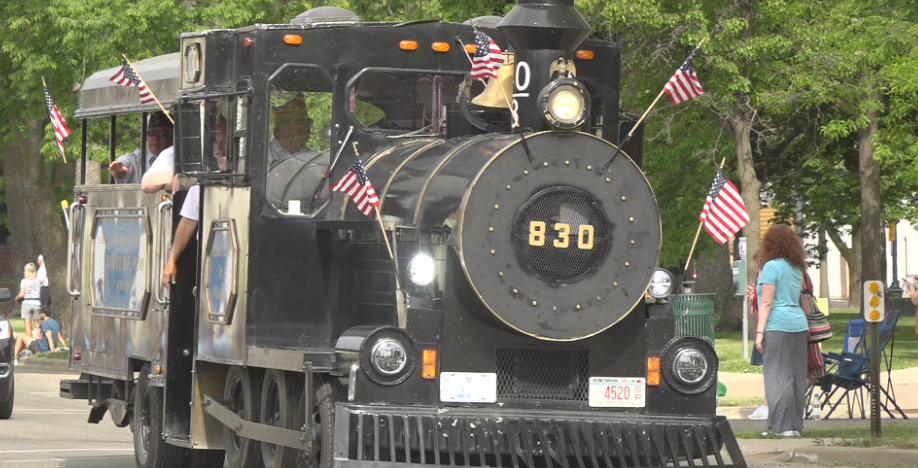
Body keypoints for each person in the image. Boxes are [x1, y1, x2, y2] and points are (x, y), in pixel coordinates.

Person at [754, 224, 809, 437]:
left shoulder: (772, 267)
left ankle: (782, 426)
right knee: (796, 376)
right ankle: (795, 426)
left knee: (777, 376)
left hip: (777, 325)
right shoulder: (796, 268)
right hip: (798, 324)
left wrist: (759, 333)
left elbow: (767, 303)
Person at [110, 111, 174, 184]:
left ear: (173, 136)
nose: (155, 138)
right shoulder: (135, 160)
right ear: (146, 135)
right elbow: (120, 169)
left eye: (163, 134)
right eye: (152, 133)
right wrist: (117, 169)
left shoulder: (179, 159)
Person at [15, 263, 42, 338]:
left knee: (28, 325)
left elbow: (21, 294)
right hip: (37, 303)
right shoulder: (38, 281)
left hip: (27, 303)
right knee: (38, 325)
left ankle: (30, 342)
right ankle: (41, 341)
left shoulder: (24, 281)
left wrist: (16, 298)